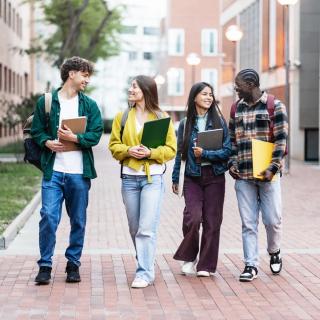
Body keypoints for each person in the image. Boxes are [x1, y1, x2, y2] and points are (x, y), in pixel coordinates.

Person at [31, 56, 103, 284]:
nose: (87, 80)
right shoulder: (47, 101)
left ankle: (73, 263)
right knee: (48, 217)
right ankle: (45, 265)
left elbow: (96, 133)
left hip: (78, 173)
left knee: (78, 220)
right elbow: (36, 130)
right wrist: (47, 142)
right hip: (54, 171)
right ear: (71, 73)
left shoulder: (89, 105)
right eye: (84, 75)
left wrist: (76, 138)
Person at [109, 75, 177, 288]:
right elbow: (113, 146)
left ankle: (144, 273)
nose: (130, 89)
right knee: (135, 228)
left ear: (146, 91)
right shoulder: (122, 117)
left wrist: (150, 152)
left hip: (152, 179)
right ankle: (146, 259)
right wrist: (128, 150)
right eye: (130, 86)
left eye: (134, 87)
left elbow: (170, 150)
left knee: (146, 228)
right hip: (129, 179)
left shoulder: (161, 117)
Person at [228, 68, 288, 282]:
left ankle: (274, 251)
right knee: (248, 223)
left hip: (269, 175)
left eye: (239, 85)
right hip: (243, 177)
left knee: (272, 220)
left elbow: (281, 140)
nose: (235, 89)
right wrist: (231, 163)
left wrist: (272, 168)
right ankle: (250, 264)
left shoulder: (275, 106)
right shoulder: (236, 108)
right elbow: (232, 141)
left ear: (251, 84)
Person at [172, 82, 231, 277]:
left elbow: (227, 151)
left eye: (211, 94)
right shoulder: (185, 123)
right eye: (204, 94)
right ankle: (190, 257)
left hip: (215, 177)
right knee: (193, 217)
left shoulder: (220, 122)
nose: (208, 97)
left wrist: (206, 153)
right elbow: (180, 152)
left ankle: (206, 265)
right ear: (194, 96)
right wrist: (175, 178)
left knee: (212, 221)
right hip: (192, 177)